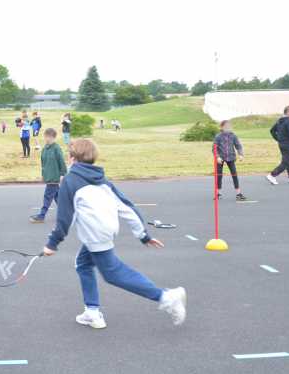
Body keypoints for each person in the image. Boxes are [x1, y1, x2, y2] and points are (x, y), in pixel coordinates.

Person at [42, 139, 187, 329]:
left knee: (113, 274)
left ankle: (167, 298)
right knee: (83, 263)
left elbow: (64, 218)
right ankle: (92, 311)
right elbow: (127, 208)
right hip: (104, 231)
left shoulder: (70, 181)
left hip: (95, 235)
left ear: (71, 158)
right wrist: (143, 235)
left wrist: (52, 244)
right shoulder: (103, 181)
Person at [30, 128, 67, 223]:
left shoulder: (56, 148)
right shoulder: (45, 149)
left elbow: (61, 162)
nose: (46, 139)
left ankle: (41, 215)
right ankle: (68, 213)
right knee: (57, 197)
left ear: (53, 137)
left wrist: (63, 174)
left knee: (47, 196)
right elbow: (43, 163)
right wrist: (43, 175)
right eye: (45, 136)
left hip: (54, 176)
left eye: (49, 137)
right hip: (48, 176)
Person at [267, 105, 289, 184]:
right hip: (288, 145)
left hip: (282, 144)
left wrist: (278, 139)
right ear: (288, 112)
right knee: (286, 162)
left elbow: (272, 131)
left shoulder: (280, 120)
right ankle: (272, 175)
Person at [213, 120, 247, 201]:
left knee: (234, 175)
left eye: (229, 126)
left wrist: (241, 154)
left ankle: (238, 194)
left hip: (231, 157)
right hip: (220, 158)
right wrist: (217, 157)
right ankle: (218, 193)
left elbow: (238, 146)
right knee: (219, 176)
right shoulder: (218, 136)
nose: (228, 128)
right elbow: (214, 148)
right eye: (226, 126)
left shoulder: (233, 136)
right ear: (222, 127)